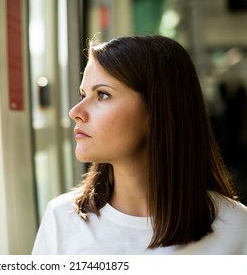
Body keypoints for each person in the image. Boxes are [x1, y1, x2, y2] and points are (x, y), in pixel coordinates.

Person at [32, 35, 247, 254]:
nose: (75, 112)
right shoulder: (61, 221)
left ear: (158, 111)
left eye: (103, 95)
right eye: (83, 94)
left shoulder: (237, 229)